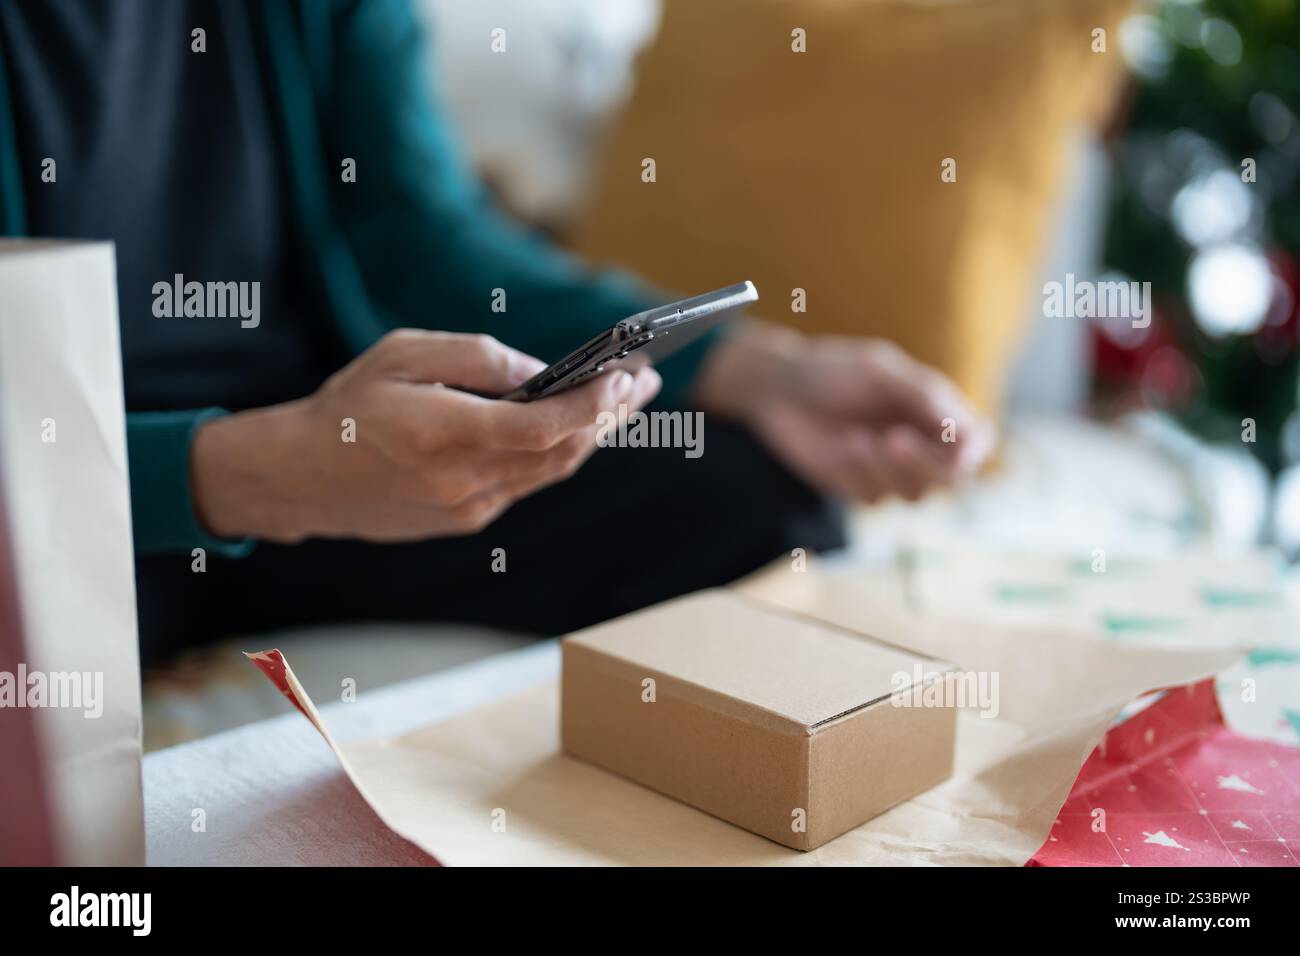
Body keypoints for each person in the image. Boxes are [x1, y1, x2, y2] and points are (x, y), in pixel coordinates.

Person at [0, 0, 993, 664]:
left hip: (331, 468)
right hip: (79, 515)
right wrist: (247, 471)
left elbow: (423, 234)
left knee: (760, 501)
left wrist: (755, 366)